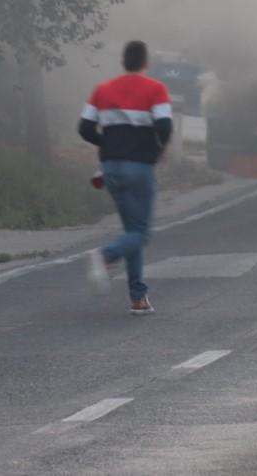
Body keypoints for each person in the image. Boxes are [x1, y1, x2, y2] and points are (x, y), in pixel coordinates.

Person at [79, 41, 173, 315]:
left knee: (132, 229)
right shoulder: (155, 89)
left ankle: (138, 298)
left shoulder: (103, 90)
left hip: (110, 169)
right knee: (140, 233)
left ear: (123, 61)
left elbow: (84, 128)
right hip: (139, 167)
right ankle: (106, 255)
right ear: (146, 62)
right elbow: (165, 125)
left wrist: (106, 143)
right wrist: (159, 149)